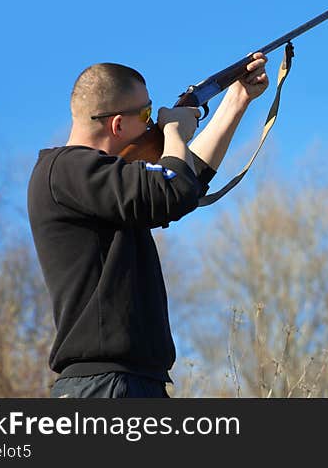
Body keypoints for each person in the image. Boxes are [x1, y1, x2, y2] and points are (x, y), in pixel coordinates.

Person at [27, 54, 268, 398]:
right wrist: (173, 130)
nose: (152, 121)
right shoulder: (67, 170)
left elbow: (184, 182)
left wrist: (236, 102)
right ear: (117, 126)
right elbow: (170, 188)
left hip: (130, 382)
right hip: (106, 385)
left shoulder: (98, 178)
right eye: (145, 114)